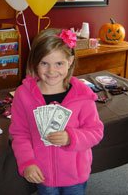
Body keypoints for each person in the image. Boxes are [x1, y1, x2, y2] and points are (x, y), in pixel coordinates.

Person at [9, 28, 104, 194]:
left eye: (59, 63)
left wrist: (71, 137)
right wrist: (27, 162)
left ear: (70, 61)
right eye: (44, 63)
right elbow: (19, 134)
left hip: (75, 175)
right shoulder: (23, 95)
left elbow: (95, 131)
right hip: (43, 175)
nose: (51, 71)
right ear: (35, 63)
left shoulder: (82, 95)